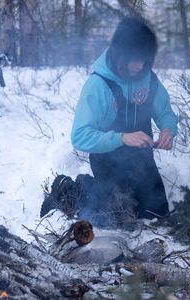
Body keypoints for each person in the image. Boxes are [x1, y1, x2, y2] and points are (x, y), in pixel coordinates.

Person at [71, 16, 178, 220]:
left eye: (145, 60)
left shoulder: (148, 79)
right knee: (119, 217)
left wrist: (168, 129)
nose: (140, 66)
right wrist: (121, 138)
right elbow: (79, 136)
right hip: (107, 161)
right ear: (121, 54)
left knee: (158, 215)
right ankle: (76, 188)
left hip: (142, 161)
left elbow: (165, 114)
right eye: (135, 59)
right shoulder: (98, 85)